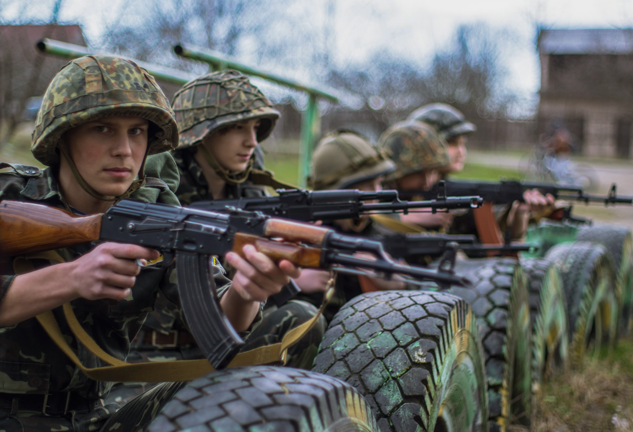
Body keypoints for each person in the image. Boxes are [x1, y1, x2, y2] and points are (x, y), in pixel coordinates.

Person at [0, 56, 298, 431]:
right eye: (103, 129)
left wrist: (247, 289)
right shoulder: (9, 197)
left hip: (99, 415)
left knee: (232, 389)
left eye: (137, 132)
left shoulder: (157, 212)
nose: (125, 149)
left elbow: (220, 329)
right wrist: (73, 276)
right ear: (62, 136)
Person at [123, 70, 325, 377]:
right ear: (202, 134)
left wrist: (290, 272)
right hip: (151, 356)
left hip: (227, 336)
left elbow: (246, 288)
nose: (252, 141)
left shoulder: (248, 192)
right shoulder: (158, 194)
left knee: (302, 317)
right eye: (238, 128)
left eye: (256, 127)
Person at [298, 130, 405, 321]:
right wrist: (294, 282)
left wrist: (397, 282)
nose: (377, 193)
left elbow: (421, 290)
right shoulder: (302, 234)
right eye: (367, 186)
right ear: (336, 192)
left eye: (379, 183)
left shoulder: (379, 230)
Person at [408, 103, 554, 240]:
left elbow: (496, 238)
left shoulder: (451, 189)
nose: (461, 152)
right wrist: (405, 217)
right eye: (452, 143)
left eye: (462, 144)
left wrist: (521, 212)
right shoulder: (403, 186)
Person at [376, 119, 453, 230]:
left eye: (433, 172)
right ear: (395, 174)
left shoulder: (424, 195)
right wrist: (404, 217)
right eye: (418, 174)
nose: (427, 183)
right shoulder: (374, 195)